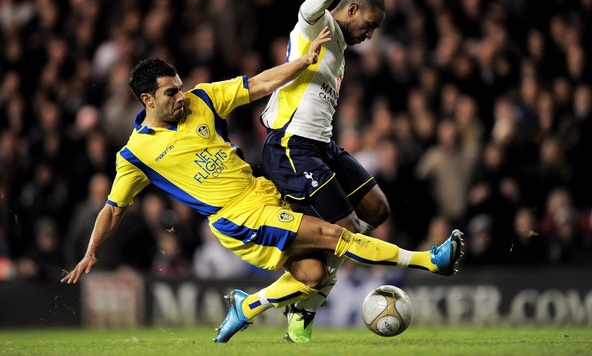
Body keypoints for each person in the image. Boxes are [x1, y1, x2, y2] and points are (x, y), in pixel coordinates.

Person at [61, 30, 464, 344]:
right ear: (147, 99)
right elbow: (113, 209)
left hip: (262, 193)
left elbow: (257, 85)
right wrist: (91, 252)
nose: (180, 96)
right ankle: (431, 261)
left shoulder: (200, 100)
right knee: (337, 232)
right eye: (171, 93)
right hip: (237, 217)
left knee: (315, 275)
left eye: (180, 87)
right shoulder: (135, 155)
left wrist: (302, 62)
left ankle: (247, 305)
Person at [259, 0, 392, 342]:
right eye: (370, 23)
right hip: (291, 143)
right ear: (351, 8)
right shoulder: (319, 27)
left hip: (322, 146)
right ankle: (304, 306)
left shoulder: (342, 49)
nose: (371, 33)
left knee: (377, 209)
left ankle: (307, 275)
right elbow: (307, 8)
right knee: (346, 231)